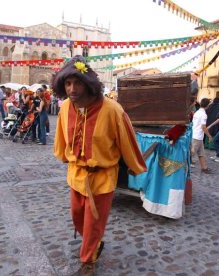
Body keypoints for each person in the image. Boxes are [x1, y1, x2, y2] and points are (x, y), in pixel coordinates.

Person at [52, 56, 147, 274]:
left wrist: (135, 166)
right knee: (77, 217)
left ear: (88, 83)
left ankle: (88, 261)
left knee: (93, 224)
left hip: (102, 178)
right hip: (76, 175)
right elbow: (61, 137)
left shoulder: (112, 109)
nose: (72, 89)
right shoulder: (65, 107)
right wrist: (63, 155)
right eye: (67, 83)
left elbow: (127, 140)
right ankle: (93, 242)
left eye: (77, 83)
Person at [191, 98, 213, 173]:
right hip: (197, 136)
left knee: (201, 153)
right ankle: (183, 168)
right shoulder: (203, 114)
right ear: (208, 106)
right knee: (191, 154)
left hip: (196, 135)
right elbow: (203, 127)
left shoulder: (197, 112)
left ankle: (204, 168)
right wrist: (209, 136)